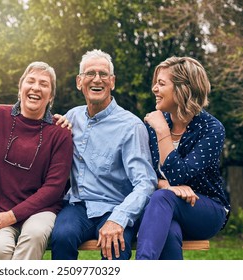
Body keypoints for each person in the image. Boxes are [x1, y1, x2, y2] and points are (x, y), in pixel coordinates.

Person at [50, 49, 157, 260]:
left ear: (112, 81)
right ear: (79, 82)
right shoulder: (71, 117)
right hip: (78, 206)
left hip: (116, 206)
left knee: (118, 245)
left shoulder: (131, 126)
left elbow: (145, 183)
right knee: (62, 237)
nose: (97, 79)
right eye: (90, 73)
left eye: (103, 74)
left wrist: (119, 218)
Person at [0, 61, 73, 260]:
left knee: (35, 235)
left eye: (44, 84)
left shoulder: (60, 132)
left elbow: (54, 188)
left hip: (40, 211)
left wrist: (11, 216)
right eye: (31, 81)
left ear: (51, 96)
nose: (36, 87)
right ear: (20, 87)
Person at [136, 56, 230, 260]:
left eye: (161, 84)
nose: (154, 88)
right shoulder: (151, 126)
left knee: (162, 199)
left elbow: (180, 176)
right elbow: (141, 175)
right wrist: (165, 185)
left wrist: (162, 130)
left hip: (206, 209)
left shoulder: (211, 128)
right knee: (169, 232)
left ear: (182, 89)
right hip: (165, 208)